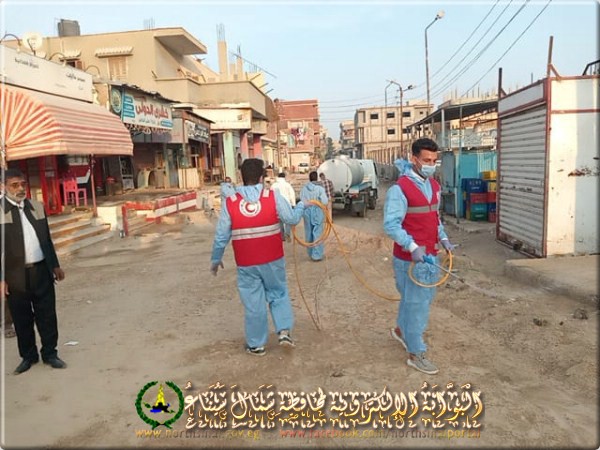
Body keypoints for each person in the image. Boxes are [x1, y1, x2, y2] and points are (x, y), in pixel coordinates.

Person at [210, 159, 305, 356]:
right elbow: (292, 219)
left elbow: (221, 235)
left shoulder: (231, 202)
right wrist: (302, 205)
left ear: (241, 177)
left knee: (254, 302)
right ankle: (284, 332)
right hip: (273, 258)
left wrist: (216, 259)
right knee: (278, 293)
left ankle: (256, 345)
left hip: (246, 262)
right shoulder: (272, 196)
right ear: (262, 178)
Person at [383, 138, 455, 375]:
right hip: (410, 260)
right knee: (417, 306)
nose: (431, 165)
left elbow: (434, 217)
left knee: (413, 300)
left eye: (434, 161)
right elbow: (391, 225)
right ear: (414, 159)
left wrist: (443, 237)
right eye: (426, 160)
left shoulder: (433, 186)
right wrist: (412, 246)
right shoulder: (400, 189)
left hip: (430, 256)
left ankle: (401, 331)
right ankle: (416, 353)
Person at [0, 169, 67, 374]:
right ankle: (28, 357)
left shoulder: (37, 207)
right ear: (3, 187)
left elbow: (46, 239)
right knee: (22, 319)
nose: (20, 188)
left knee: (47, 315)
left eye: (23, 184)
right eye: (14, 185)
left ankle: (50, 354)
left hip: (41, 271)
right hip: (15, 276)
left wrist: (55, 265)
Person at [300, 171, 329, 262]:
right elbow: (325, 201)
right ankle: (316, 255)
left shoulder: (304, 189)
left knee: (308, 232)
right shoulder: (320, 189)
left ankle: (310, 252)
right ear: (317, 178)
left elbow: (302, 200)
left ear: (309, 178)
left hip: (307, 213)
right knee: (318, 233)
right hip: (317, 212)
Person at [271, 172, 297, 242]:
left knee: (280, 221)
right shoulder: (287, 185)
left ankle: (282, 236)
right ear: (284, 177)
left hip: (277, 205)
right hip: (287, 205)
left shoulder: (274, 185)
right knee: (288, 220)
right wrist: (293, 204)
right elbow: (292, 195)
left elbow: (271, 195)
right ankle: (287, 233)